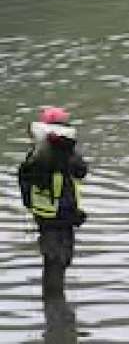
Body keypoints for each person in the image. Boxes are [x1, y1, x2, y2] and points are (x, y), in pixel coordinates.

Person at [18, 107, 88, 299]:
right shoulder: (51, 158)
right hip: (58, 217)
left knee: (55, 261)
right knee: (57, 261)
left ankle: (53, 306)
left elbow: (26, 185)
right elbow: (79, 171)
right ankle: (55, 305)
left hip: (46, 217)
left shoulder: (36, 156)